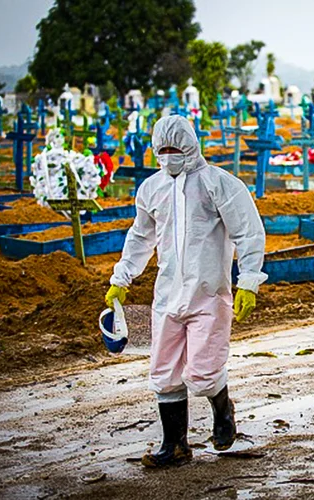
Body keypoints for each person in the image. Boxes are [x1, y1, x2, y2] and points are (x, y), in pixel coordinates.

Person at [104, 115, 267, 467]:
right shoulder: (151, 188)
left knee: (204, 373)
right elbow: (140, 237)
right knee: (164, 372)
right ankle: (174, 444)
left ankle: (223, 412)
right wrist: (122, 278)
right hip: (167, 296)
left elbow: (248, 232)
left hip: (209, 293)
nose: (169, 155)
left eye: (175, 148)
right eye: (162, 150)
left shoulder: (218, 184)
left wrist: (249, 280)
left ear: (191, 145)